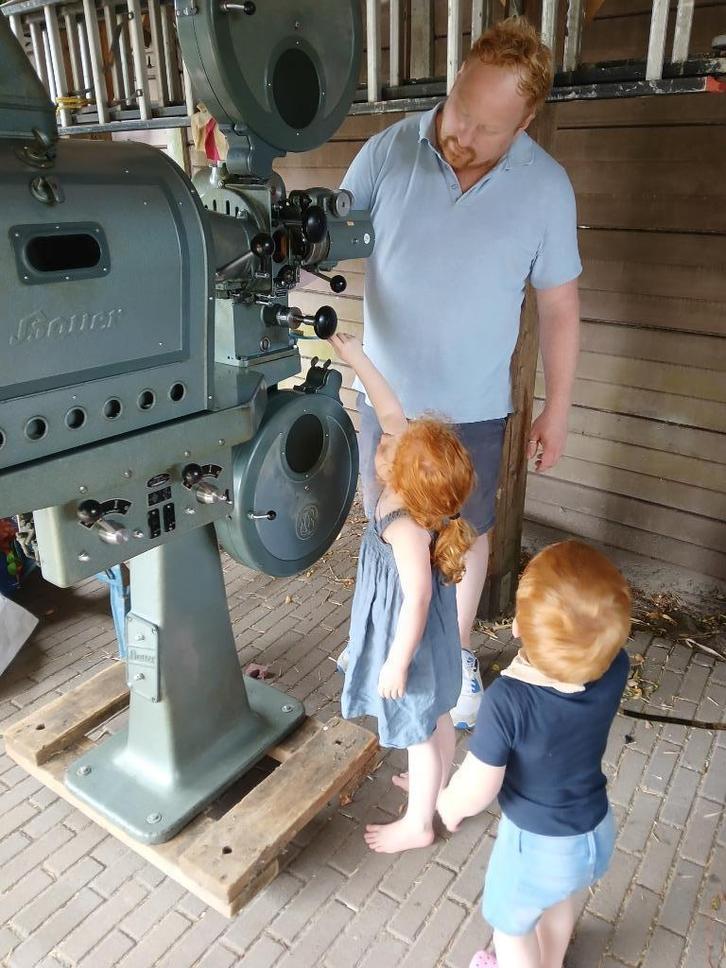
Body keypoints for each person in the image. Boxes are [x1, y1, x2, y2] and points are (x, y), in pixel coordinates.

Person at [340, 16, 582, 728]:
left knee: (464, 539)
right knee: (388, 533)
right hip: (384, 401)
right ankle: (385, 643)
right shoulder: (389, 150)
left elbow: (561, 307)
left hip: (474, 410)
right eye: (458, 111)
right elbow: (330, 234)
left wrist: (558, 406)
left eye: (486, 128)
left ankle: (457, 661)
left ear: (527, 120)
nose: (461, 135)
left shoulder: (547, 187)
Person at [436, 541, 631, 968]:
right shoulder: (616, 666)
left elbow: (479, 785)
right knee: (557, 902)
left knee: (511, 928)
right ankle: (551, 962)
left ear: (518, 627)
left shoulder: (509, 700)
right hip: (593, 832)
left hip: (539, 846)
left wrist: (449, 804)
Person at [329, 331, 477, 854]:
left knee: (417, 721)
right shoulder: (418, 481)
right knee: (436, 713)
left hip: (410, 635)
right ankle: (432, 782)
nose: (385, 438)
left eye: (388, 446)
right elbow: (390, 408)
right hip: (430, 628)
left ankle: (419, 823)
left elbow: (414, 599)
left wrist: (395, 661)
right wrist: (355, 356)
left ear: (400, 474)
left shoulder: (405, 523)